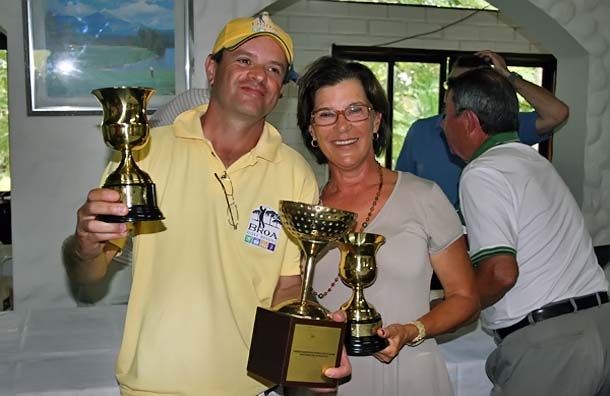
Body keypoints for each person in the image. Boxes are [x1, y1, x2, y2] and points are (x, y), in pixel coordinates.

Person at [63, 13, 350, 396]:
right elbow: (88, 276)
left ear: (281, 88)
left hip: (252, 387)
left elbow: (287, 285)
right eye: (244, 60)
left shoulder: (294, 172)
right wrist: (84, 244)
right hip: (155, 387)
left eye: (274, 68)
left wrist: (315, 344)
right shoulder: (144, 154)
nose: (258, 75)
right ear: (212, 69)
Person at [293, 56, 480, 396]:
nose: (342, 126)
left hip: (408, 374)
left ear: (376, 120)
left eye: (355, 110)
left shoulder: (423, 196)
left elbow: (465, 298)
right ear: (312, 131)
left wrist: (413, 329)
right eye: (326, 114)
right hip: (327, 381)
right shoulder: (305, 211)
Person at [442, 67, 610, 396]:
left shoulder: (482, 172)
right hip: (599, 326)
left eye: (446, 114)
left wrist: (458, 305)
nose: (441, 125)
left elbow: (500, 272)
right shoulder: (534, 162)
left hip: (554, 346)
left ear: (469, 121)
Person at [396, 50, 569, 208]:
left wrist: (508, 77)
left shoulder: (505, 125)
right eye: (453, 85)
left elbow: (557, 113)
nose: (456, 93)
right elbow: (401, 189)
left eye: (469, 87)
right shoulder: (420, 131)